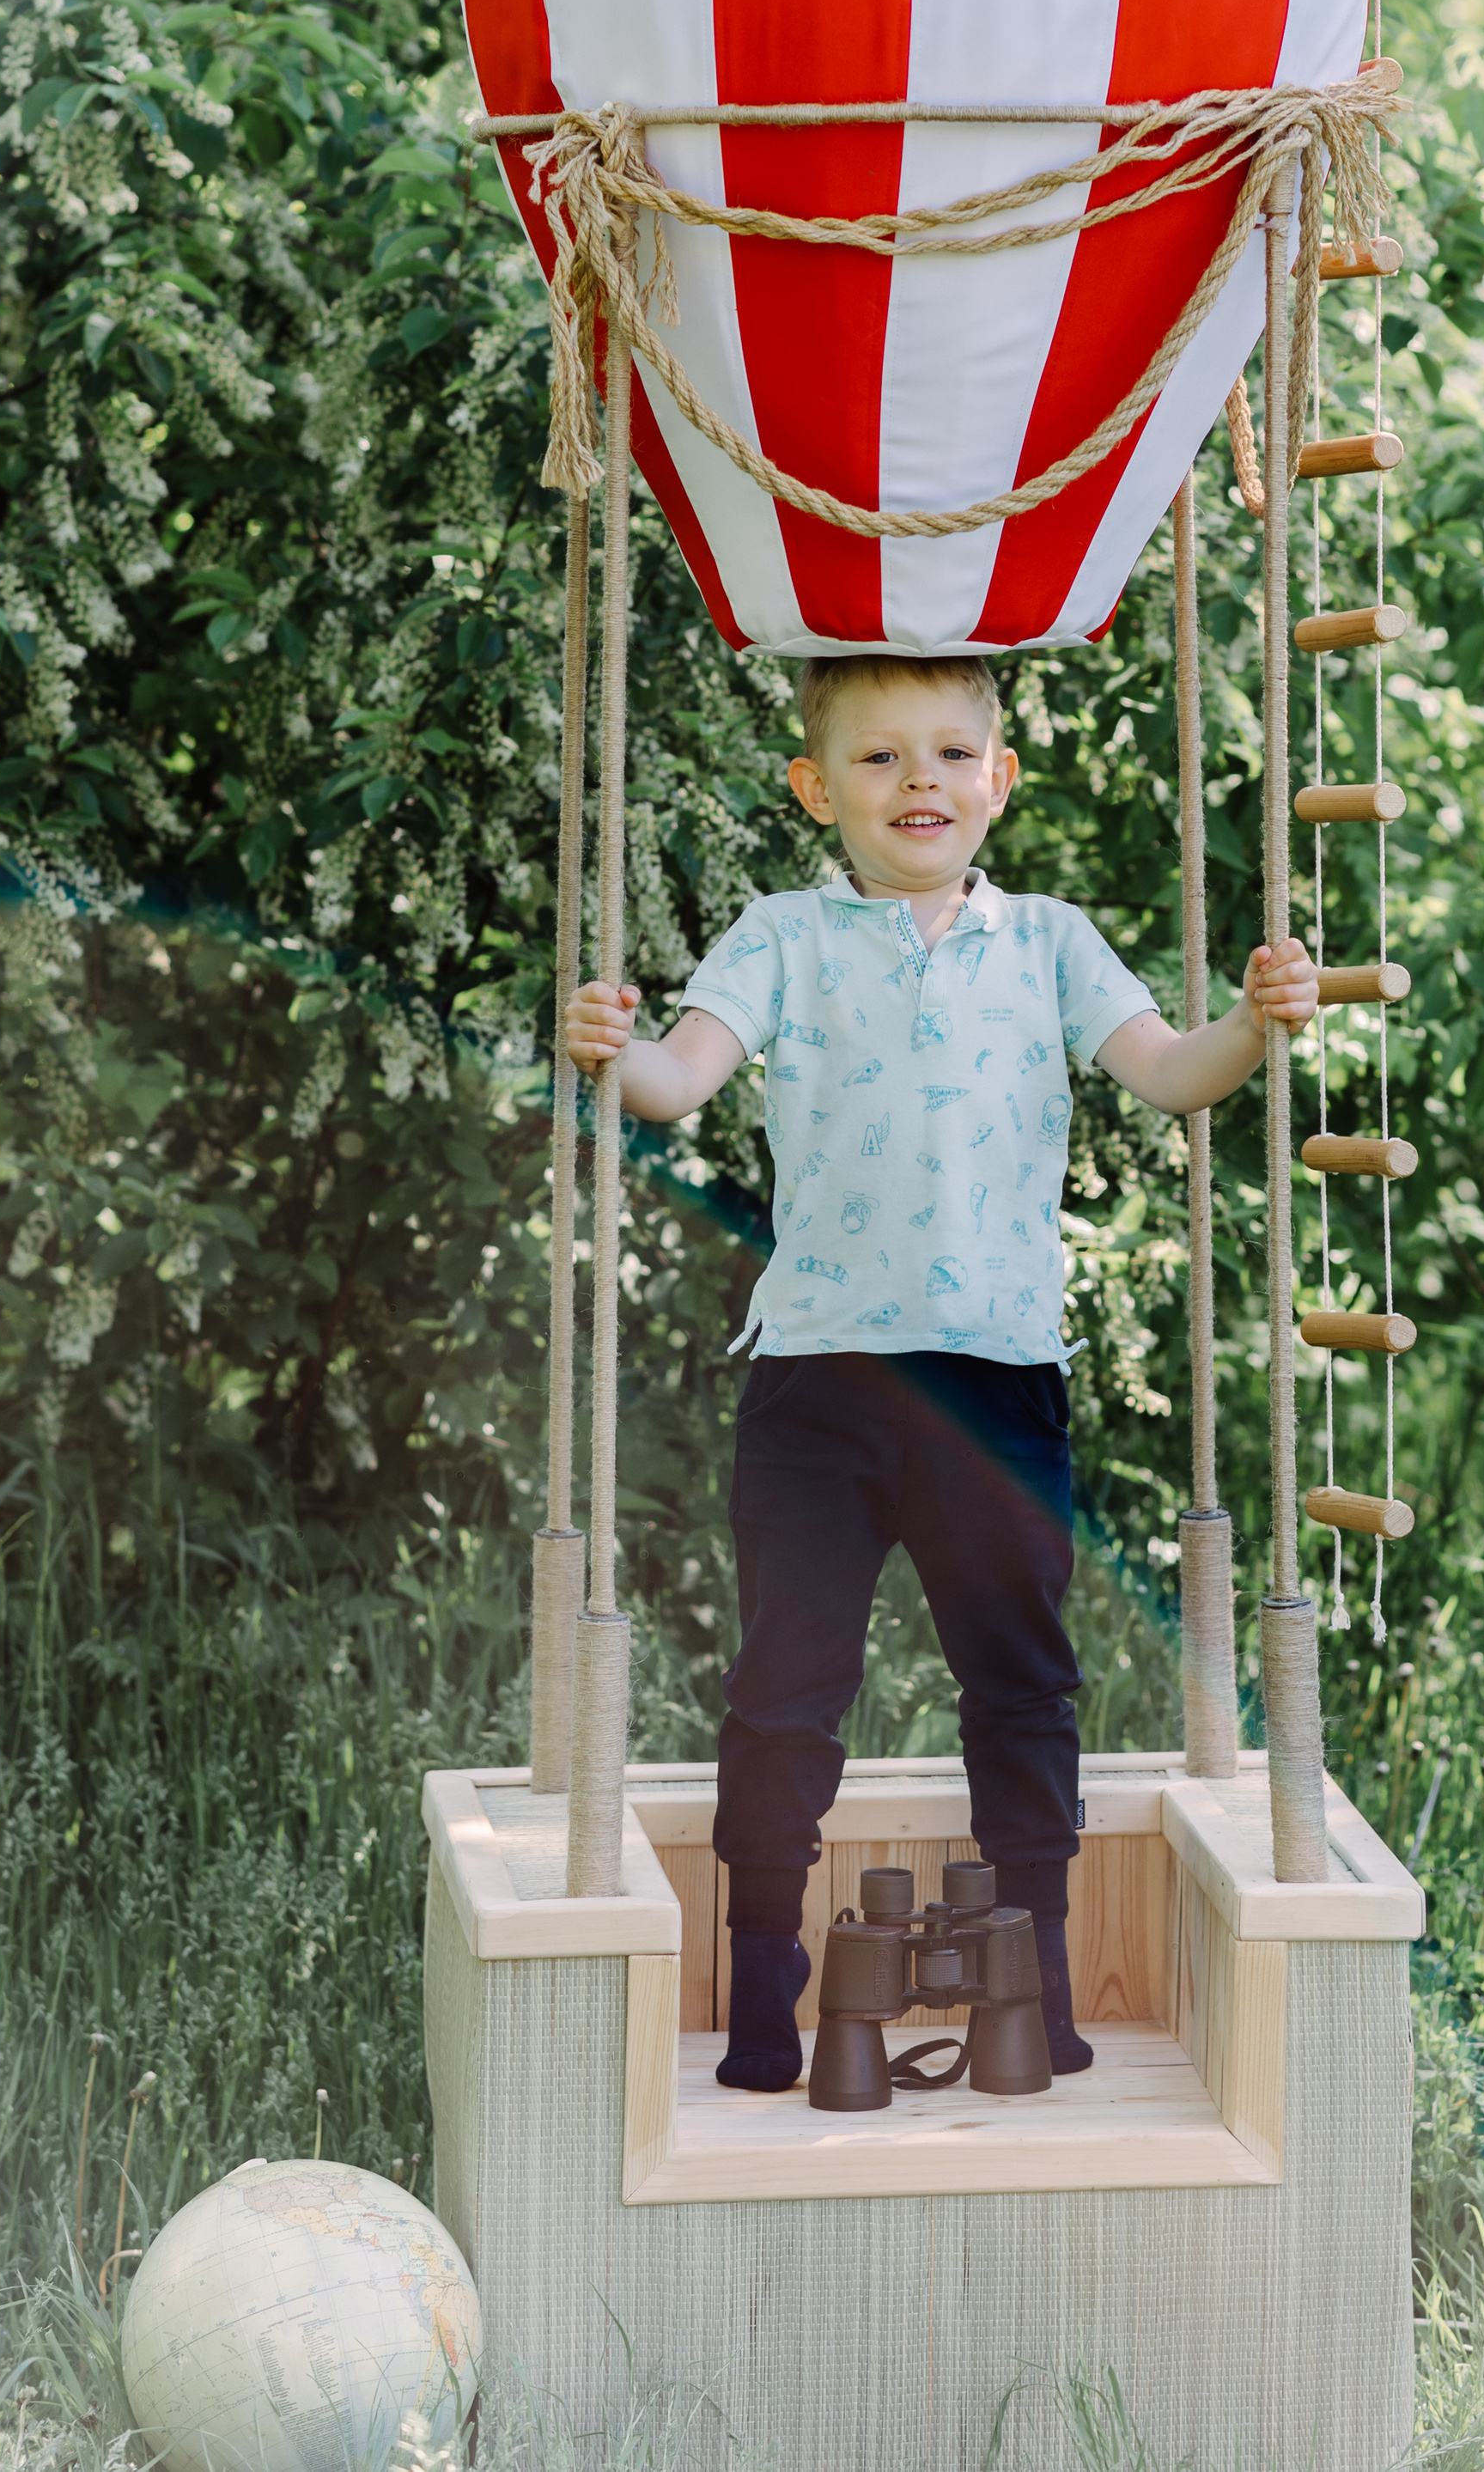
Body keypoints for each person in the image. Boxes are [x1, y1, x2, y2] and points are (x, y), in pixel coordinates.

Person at [562, 653, 1318, 2091]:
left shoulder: (1048, 941)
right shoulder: (782, 935)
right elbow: (679, 1078)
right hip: (820, 1380)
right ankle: (768, 1986)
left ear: (1001, 778)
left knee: (1023, 1684)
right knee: (789, 1683)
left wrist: (1256, 1024)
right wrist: (617, 1052)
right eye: (880, 759)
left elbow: (1169, 1070)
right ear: (814, 787)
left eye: (954, 753)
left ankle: (1033, 1984)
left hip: (996, 1378)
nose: (923, 783)